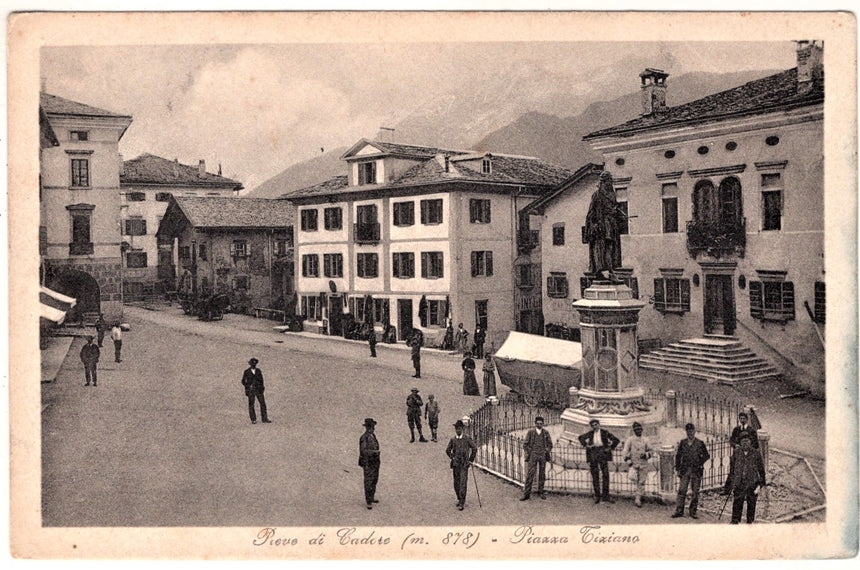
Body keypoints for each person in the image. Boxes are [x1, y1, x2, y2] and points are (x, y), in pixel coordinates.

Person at [584, 170, 626, 279]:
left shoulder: (612, 195)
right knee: (600, 248)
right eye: (609, 181)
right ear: (603, 182)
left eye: (611, 181)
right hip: (601, 225)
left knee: (611, 247)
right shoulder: (597, 195)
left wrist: (618, 213)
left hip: (611, 224)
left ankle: (610, 269)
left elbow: (615, 208)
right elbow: (591, 212)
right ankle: (601, 270)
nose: (610, 183)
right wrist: (593, 224)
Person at [672, 423, 710, 519]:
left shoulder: (700, 443)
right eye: (688, 431)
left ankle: (693, 511)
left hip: (696, 471)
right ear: (686, 432)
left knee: (695, 492)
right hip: (685, 471)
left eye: (691, 431)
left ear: (694, 431)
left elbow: (706, 455)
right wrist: (677, 468)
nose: (690, 433)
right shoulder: (683, 443)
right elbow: (678, 457)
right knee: (682, 491)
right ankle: (679, 510)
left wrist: (699, 462)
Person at [578, 419, 620, 503]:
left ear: (599, 424)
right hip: (593, 453)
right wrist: (587, 446)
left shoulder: (604, 432)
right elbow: (580, 438)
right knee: (595, 474)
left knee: (605, 474)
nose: (594, 426)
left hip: (602, 453)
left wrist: (609, 448)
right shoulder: (590, 433)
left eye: (596, 424)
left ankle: (605, 496)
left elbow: (616, 440)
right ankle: (597, 495)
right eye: (592, 425)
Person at [729, 433, 766, 524]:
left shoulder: (756, 453)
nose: (745, 443)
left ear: (750, 442)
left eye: (747, 441)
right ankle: (735, 520)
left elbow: (761, 469)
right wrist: (732, 482)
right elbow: (732, 468)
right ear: (740, 443)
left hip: (752, 483)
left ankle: (750, 521)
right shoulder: (736, 452)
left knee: (751, 503)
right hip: (739, 482)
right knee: (737, 502)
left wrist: (761, 484)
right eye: (743, 441)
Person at [721, 411, 760, 495]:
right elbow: (732, 440)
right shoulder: (736, 429)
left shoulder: (751, 430)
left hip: (748, 454)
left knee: (747, 472)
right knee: (733, 470)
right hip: (738, 454)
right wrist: (735, 445)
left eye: (744, 418)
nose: (742, 420)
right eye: (741, 418)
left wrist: (748, 449)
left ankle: (748, 491)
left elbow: (755, 443)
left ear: (747, 419)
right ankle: (728, 489)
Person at [446, 419, 477, 510]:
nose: (458, 430)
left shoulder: (467, 439)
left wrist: (470, 460)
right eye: (456, 429)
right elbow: (447, 450)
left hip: (464, 464)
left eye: (459, 429)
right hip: (456, 465)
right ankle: (459, 499)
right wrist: (452, 457)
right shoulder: (453, 439)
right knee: (456, 483)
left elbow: (474, 448)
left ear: (462, 429)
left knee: (463, 483)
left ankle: (462, 502)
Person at [622, 422, 654, 507]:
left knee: (642, 481)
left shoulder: (646, 440)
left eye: (640, 429)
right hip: (634, 464)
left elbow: (651, 451)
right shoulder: (630, 440)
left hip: (643, 464)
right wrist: (629, 461)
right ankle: (639, 495)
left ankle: (638, 498)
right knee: (633, 478)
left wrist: (646, 455)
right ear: (634, 431)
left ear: (642, 430)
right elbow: (625, 452)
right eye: (636, 430)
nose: (638, 431)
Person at [521, 416, 553, 501]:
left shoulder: (546, 433)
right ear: (535, 423)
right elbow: (525, 444)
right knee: (530, 473)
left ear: (543, 424)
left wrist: (547, 450)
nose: (539, 425)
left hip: (542, 455)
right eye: (537, 423)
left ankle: (541, 491)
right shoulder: (531, 432)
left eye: (541, 423)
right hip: (533, 455)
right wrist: (530, 451)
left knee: (542, 474)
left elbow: (550, 444)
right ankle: (526, 494)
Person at [358, 418, 381, 510]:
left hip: (375, 461)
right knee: (368, 481)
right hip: (368, 462)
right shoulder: (364, 437)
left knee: (375, 479)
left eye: (373, 427)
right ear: (367, 428)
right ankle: (368, 501)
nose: (373, 429)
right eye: (372, 427)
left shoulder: (372, 435)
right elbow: (363, 451)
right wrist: (374, 452)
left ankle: (371, 497)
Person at [241, 357, 270, 424]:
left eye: (255, 364)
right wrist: (248, 386)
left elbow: (261, 380)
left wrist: (262, 388)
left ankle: (264, 418)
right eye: (252, 364)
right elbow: (243, 381)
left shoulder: (258, 371)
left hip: (258, 389)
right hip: (251, 390)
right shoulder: (247, 372)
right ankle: (253, 419)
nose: (254, 365)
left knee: (263, 404)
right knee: (251, 404)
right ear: (250, 364)